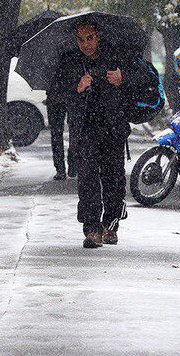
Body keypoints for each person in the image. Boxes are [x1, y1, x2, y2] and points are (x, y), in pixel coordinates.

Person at [56, 22, 143, 248]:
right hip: (84, 129)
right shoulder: (70, 61)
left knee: (113, 178)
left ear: (98, 35)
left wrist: (122, 79)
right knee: (87, 179)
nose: (86, 43)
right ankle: (92, 229)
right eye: (81, 39)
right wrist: (77, 87)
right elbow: (57, 92)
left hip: (113, 127)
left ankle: (111, 225)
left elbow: (141, 81)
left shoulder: (117, 55)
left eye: (90, 37)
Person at [46, 65, 78, 180]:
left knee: (57, 134)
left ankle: (61, 169)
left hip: (58, 96)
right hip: (72, 95)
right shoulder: (76, 55)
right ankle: (72, 164)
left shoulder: (48, 57)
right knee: (74, 131)